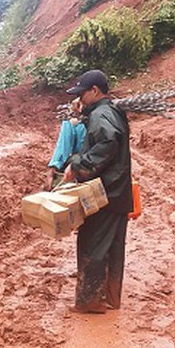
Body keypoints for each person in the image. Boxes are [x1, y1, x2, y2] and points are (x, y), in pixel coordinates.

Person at [63, 70, 133, 313]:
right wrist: (82, 114)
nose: (79, 98)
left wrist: (78, 164)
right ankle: (111, 298)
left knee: (92, 243)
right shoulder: (110, 110)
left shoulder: (101, 114)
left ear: (94, 91)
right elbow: (102, 135)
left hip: (104, 194)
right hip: (117, 193)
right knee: (113, 248)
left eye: (82, 94)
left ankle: (91, 300)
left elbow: (107, 142)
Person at [47, 98, 87, 190]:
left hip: (83, 166)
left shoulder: (73, 122)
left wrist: (52, 170)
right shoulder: (109, 113)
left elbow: (64, 148)